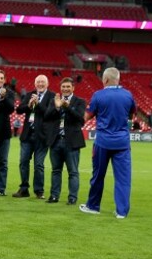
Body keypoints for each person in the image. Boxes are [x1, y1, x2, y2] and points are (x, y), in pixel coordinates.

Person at [80, 67, 136, 219]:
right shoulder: (128, 95)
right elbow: (131, 114)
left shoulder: (98, 95)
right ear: (118, 79)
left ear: (104, 80)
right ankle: (121, 212)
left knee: (98, 175)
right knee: (123, 178)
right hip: (122, 143)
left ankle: (93, 206)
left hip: (103, 142)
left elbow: (87, 116)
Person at [44, 77, 86, 204]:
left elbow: (80, 119)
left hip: (72, 142)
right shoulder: (54, 101)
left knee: (73, 172)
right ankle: (54, 196)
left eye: (68, 87)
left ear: (73, 88)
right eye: (63, 87)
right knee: (55, 170)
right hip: (56, 140)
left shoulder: (79, 101)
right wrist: (56, 108)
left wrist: (67, 107)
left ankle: (72, 198)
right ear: (60, 88)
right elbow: (46, 117)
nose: (65, 89)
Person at [12, 75, 53, 199]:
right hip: (27, 134)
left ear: (47, 84)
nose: (40, 84)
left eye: (43, 82)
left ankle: (39, 191)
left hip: (42, 136)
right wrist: (29, 105)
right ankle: (24, 189)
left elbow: (50, 113)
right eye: (38, 82)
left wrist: (38, 104)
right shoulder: (30, 94)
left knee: (39, 165)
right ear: (35, 84)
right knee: (23, 162)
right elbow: (19, 110)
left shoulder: (52, 96)